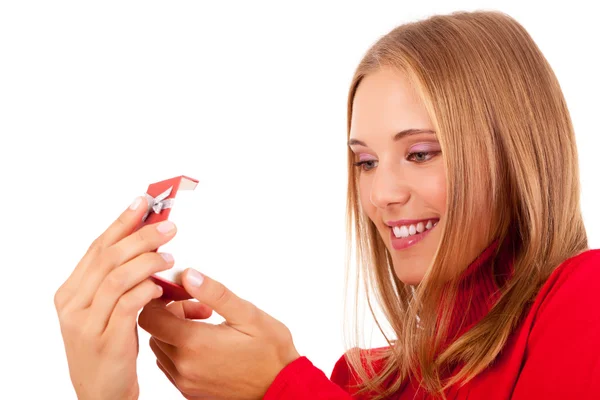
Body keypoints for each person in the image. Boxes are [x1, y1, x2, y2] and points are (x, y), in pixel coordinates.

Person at [54, 10, 600, 400]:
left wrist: (280, 387)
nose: (381, 195)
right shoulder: (361, 382)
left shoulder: (586, 297)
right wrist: (108, 392)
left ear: (515, 154)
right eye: (365, 162)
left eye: (421, 153)